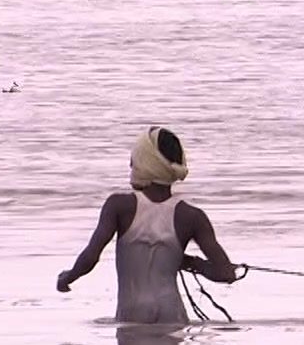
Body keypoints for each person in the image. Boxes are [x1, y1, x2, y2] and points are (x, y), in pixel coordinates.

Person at [56, 127, 240, 323]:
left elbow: (91, 257)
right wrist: (189, 262)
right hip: (174, 316)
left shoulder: (118, 206)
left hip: (132, 317)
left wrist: (68, 277)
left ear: (145, 163)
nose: (130, 165)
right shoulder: (192, 216)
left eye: (134, 160)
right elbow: (226, 273)